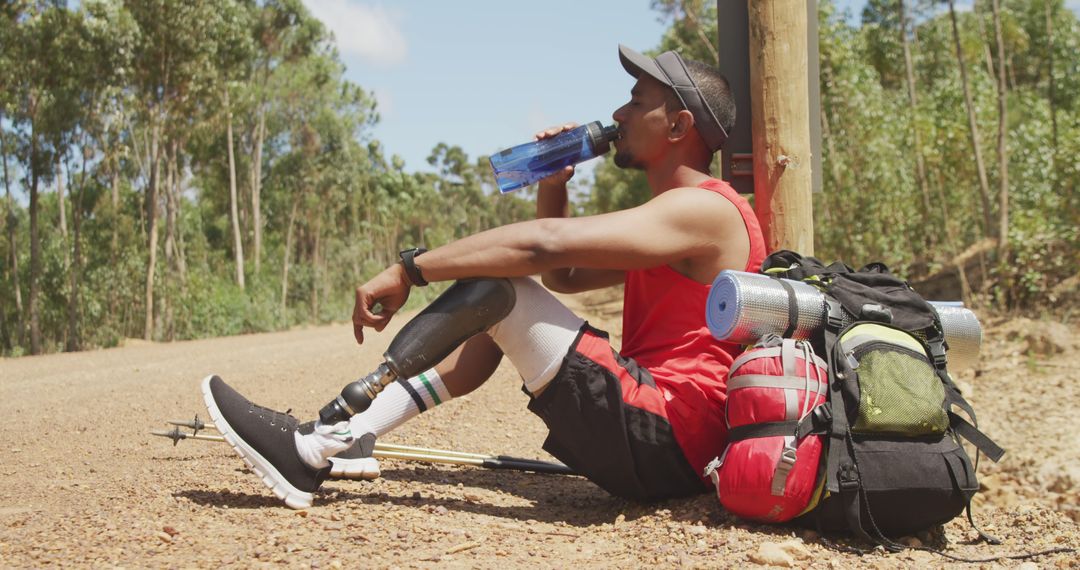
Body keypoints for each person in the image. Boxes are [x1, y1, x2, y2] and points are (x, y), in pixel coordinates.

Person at [202, 44, 767, 510]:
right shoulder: (679, 214)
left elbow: (539, 248)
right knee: (497, 309)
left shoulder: (705, 210)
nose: (617, 115)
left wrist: (410, 268)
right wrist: (555, 181)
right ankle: (349, 436)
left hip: (668, 431)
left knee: (501, 289)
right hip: (667, 441)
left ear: (678, 124)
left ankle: (311, 447)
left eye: (635, 102)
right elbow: (566, 275)